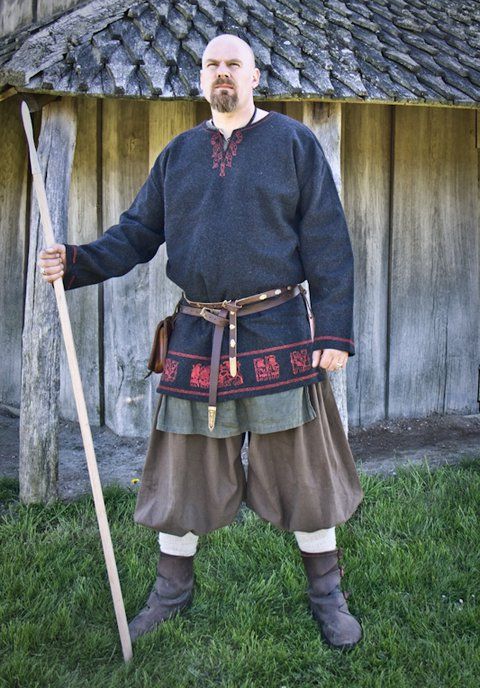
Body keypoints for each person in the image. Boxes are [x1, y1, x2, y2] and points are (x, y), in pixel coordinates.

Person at [38, 33, 364, 650]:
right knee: (182, 471)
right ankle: (170, 594)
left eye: (233, 64)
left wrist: (336, 331)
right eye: (212, 64)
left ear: (254, 74)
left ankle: (327, 595)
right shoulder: (180, 154)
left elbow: (328, 241)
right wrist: (77, 260)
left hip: (279, 332)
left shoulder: (295, 143)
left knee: (304, 475)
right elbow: (137, 233)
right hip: (197, 332)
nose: (223, 74)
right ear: (201, 78)